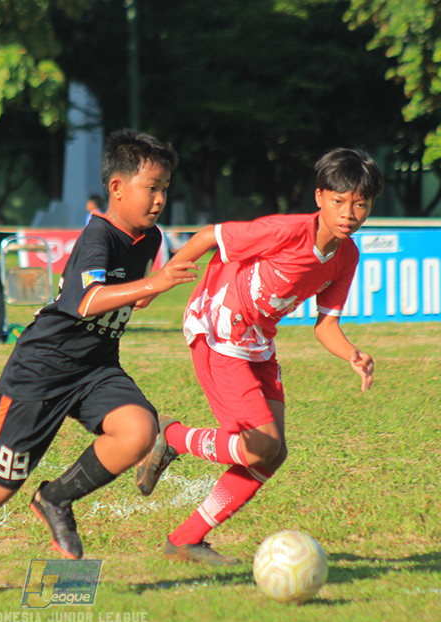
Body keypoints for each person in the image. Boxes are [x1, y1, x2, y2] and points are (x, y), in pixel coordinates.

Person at [0, 129, 199, 598]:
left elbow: (133, 299)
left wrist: (157, 280)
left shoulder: (147, 238)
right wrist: (155, 284)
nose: (159, 199)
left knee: (138, 431)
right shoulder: (98, 234)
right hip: (42, 371)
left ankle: (56, 499)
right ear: (116, 187)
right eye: (151, 187)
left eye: (165, 188)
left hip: (95, 368)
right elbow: (88, 301)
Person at [135, 147, 382, 565]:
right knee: (258, 447)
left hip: (256, 341)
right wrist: (159, 282)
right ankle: (170, 436)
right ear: (320, 197)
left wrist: (352, 354)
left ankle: (185, 539)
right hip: (217, 328)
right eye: (339, 201)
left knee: (274, 452)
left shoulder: (346, 256)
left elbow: (325, 327)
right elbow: (208, 237)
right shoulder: (285, 231)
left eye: (360, 204)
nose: (349, 213)